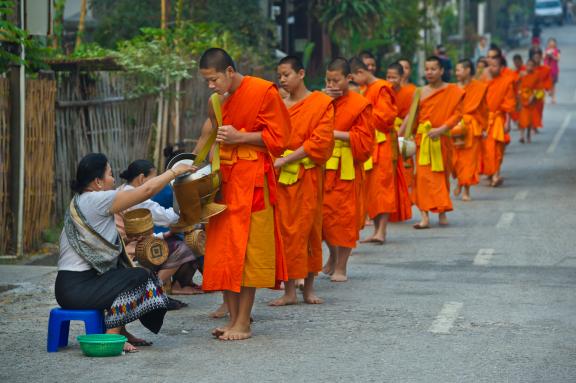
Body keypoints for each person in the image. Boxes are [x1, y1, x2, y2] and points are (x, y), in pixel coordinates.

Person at [55, 153, 194, 352]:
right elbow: (146, 190)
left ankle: (122, 331)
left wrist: (129, 240)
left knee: (124, 272)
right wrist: (173, 172)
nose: (114, 180)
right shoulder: (96, 199)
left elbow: (102, 242)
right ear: (97, 181)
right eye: (110, 174)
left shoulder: (83, 201)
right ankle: (112, 335)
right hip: (77, 288)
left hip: (70, 287)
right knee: (137, 276)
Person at [198, 48, 290, 341]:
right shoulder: (219, 100)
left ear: (229, 71)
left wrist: (241, 137)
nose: (211, 86)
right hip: (225, 181)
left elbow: (280, 139)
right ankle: (234, 318)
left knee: (247, 250)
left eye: (213, 79)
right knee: (226, 249)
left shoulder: (263, 91)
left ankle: (243, 323)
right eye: (207, 81)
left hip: (253, 184)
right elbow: (212, 136)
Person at [268, 55, 334, 306]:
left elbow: (320, 141)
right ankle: (289, 291)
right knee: (285, 231)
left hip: (307, 176)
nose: (282, 79)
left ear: (301, 73)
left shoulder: (320, 103)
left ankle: (308, 288)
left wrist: (287, 160)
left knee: (309, 230)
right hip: (282, 179)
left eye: (287, 74)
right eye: (280, 75)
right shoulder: (278, 104)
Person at [116, 160, 203, 297]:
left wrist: (167, 234)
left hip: (131, 244)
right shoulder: (134, 196)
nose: (157, 182)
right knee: (185, 247)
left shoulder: (123, 190)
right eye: (154, 178)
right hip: (130, 251)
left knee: (177, 239)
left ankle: (176, 284)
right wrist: (189, 206)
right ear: (141, 179)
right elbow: (167, 217)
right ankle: (153, 288)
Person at [322, 57, 373, 281]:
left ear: (348, 79)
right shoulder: (320, 100)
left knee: (344, 219)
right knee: (322, 219)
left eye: (336, 80)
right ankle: (332, 255)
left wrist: (335, 135)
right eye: (328, 80)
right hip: (323, 166)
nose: (332, 85)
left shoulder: (359, 104)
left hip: (346, 168)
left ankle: (341, 266)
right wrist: (321, 100)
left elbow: (365, 139)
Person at [399, 56, 464, 229]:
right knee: (421, 178)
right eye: (427, 69)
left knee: (441, 176)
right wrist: (403, 135)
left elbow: (458, 115)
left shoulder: (452, 90)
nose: (429, 72)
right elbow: (411, 116)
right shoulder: (420, 92)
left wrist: (442, 129)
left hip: (442, 139)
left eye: (433, 69)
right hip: (423, 140)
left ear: (442, 71)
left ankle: (442, 211)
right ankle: (424, 216)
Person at [349, 57, 409, 243]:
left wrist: (362, 113)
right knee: (370, 189)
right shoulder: (366, 90)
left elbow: (387, 117)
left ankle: (382, 231)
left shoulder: (381, 87)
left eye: (353, 79)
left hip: (382, 144)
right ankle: (376, 231)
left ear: (360, 73)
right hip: (369, 144)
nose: (354, 83)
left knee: (382, 187)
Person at [452, 59, 489, 202]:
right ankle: (460, 182)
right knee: (455, 160)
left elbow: (484, 109)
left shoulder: (479, 88)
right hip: (455, 126)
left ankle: (466, 189)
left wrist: (484, 127)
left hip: (472, 127)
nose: (456, 73)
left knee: (469, 160)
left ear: (467, 70)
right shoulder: (453, 88)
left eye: (459, 70)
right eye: (456, 70)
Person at [481, 56, 516, 187]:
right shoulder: (484, 82)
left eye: (495, 65)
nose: (491, 68)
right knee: (487, 150)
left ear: (501, 68)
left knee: (498, 148)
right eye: (490, 65)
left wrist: (508, 122)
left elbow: (509, 103)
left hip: (498, 119)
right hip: (485, 119)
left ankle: (496, 174)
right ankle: (491, 173)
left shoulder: (507, 81)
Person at [395, 59, 418, 191]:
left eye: (406, 67)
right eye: (400, 67)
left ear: (410, 71)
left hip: (406, 131)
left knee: (406, 159)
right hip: (389, 130)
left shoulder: (414, 90)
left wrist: (401, 132)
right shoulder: (387, 88)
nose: (403, 71)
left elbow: (412, 114)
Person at [517, 59, 542, 144]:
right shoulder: (521, 74)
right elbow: (517, 84)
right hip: (522, 97)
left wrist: (534, 96)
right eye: (528, 65)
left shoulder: (536, 75)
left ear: (534, 67)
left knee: (529, 119)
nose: (529, 67)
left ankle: (528, 135)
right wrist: (518, 95)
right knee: (522, 118)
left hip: (531, 98)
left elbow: (539, 88)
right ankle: (522, 136)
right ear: (525, 65)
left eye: (532, 65)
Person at [532, 49, 553, 131]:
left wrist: (549, 90)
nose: (536, 59)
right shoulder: (529, 68)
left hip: (540, 92)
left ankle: (536, 124)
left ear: (541, 57)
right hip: (529, 92)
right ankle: (532, 125)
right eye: (535, 57)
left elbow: (548, 80)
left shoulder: (546, 69)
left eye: (538, 57)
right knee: (531, 109)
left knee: (539, 109)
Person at [544, 38, 560, 104]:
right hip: (546, 70)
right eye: (550, 42)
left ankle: (553, 98)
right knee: (545, 84)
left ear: (555, 44)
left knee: (553, 85)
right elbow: (543, 57)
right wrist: (547, 54)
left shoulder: (557, 51)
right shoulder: (546, 50)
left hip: (554, 70)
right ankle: (547, 94)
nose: (551, 44)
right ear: (548, 44)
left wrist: (552, 56)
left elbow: (558, 59)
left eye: (553, 42)